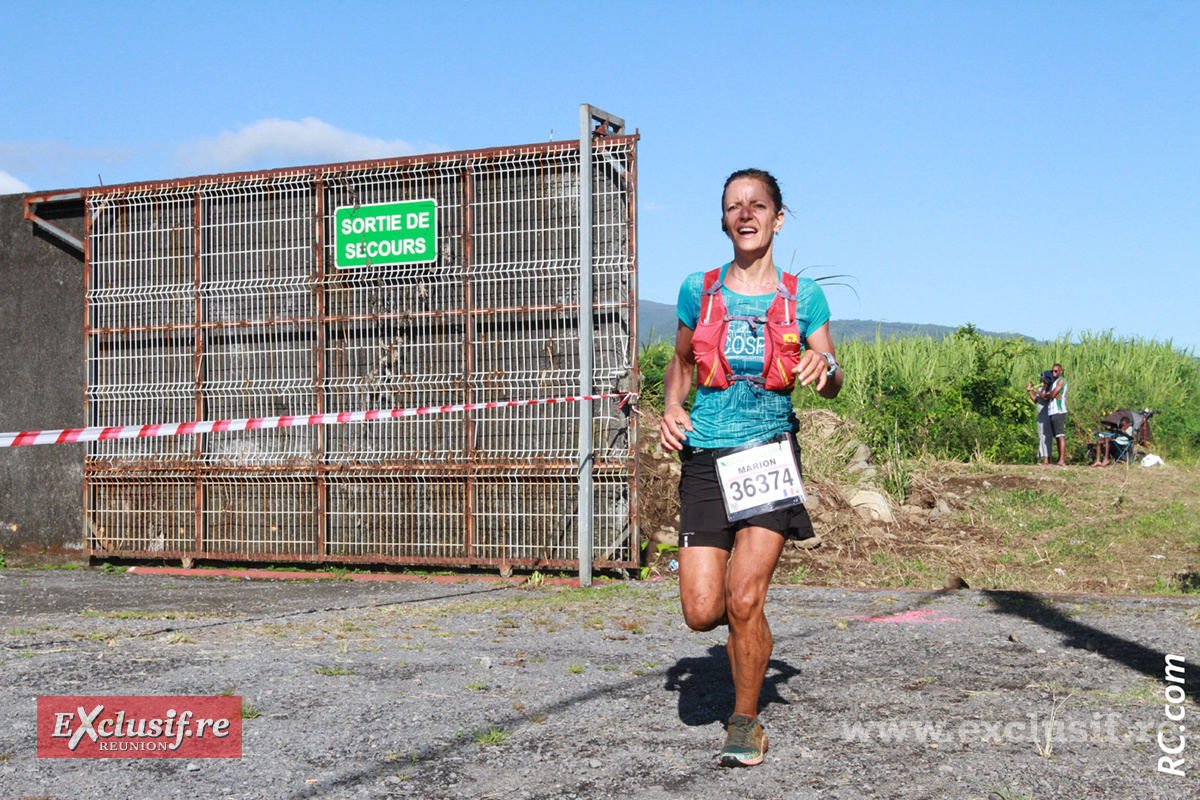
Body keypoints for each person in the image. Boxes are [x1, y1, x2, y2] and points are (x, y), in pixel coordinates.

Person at [659, 168, 843, 768]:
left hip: (768, 453)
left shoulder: (802, 295)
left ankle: (745, 721)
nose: (746, 214)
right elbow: (681, 361)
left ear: (777, 218)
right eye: (734, 206)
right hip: (706, 456)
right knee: (702, 612)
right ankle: (748, 643)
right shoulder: (700, 288)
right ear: (723, 220)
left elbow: (832, 372)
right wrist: (671, 407)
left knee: (744, 599)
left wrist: (824, 366)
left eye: (757, 205)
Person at [1028, 364, 1068, 465]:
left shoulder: (1061, 380)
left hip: (1057, 411)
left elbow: (1051, 395)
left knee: (1060, 435)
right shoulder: (1052, 384)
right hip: (1051, 412)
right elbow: (1047, 396)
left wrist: (1050, 394)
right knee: (1054, 436)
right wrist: (1049, 394)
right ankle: (1059, 460)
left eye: (1056, 371)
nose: (1054, 373)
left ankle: (1061, 460)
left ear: (1061, 371)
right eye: (1053, 371)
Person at [1025, 370, 1054, 465]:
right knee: (1041, 436)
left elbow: (1046, 398)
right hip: (1040, 414)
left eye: (1042, 377)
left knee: (1047, 436)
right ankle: (1044, 457)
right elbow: (1035, 400)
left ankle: (1047, 459)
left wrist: (1038, 391)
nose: (1041, 378)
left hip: (1047, 413)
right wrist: (1029, 391)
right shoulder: (1041, 388)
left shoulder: (1049, 389)